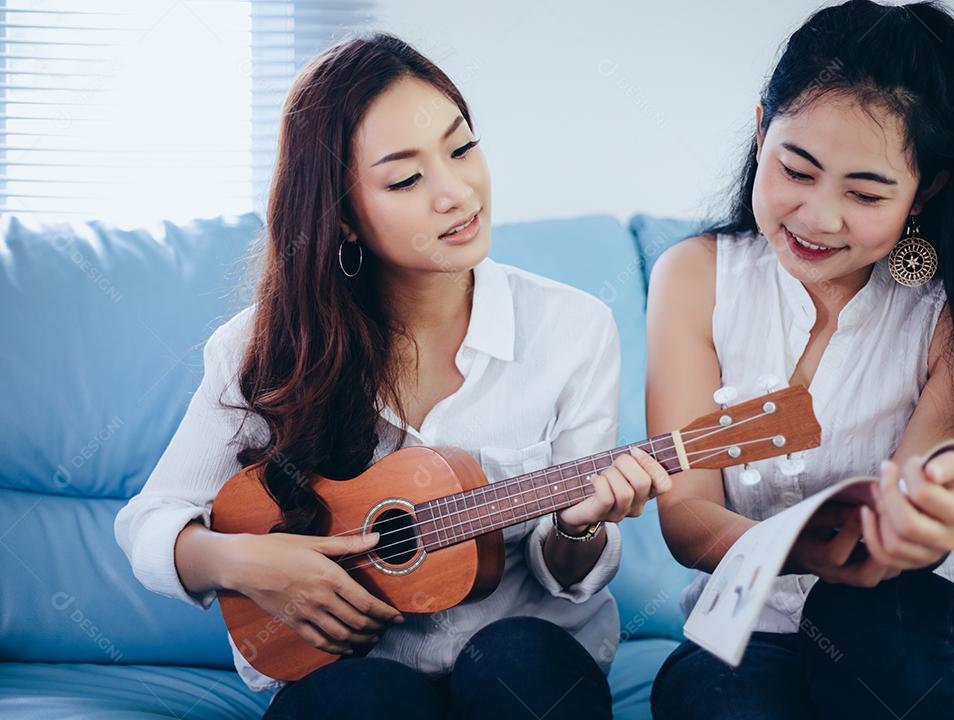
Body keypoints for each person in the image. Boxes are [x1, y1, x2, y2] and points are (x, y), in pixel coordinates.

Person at [115, 33, 671, 720]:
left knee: (520, 662)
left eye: (462, 148)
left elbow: (568, 576)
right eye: (407, 179)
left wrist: (580, 529)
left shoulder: (574, 328)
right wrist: (246, 565)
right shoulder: (260, 348)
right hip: (345, 672)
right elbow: (148, 525)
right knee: (369, 698)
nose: (456, 192)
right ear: (343, 218)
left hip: (520, 664)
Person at [646, 2, 954, 719]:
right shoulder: (693, 278)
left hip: (931, 621)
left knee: (875, 619)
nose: (818, 217)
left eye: (865, 192)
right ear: (760, 132)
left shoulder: (952, 311)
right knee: (716, 693)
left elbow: (912, 516)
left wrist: (918, 528)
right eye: (797, 170)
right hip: (757, 625)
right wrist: (800, 550)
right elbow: (688, 514)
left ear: (923, 191)